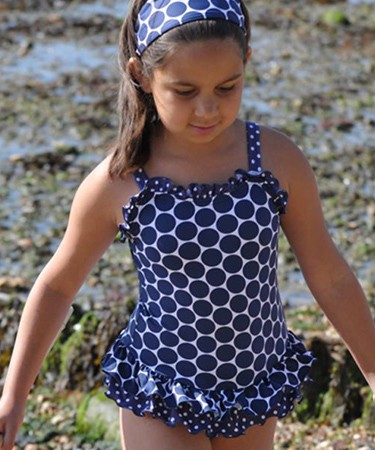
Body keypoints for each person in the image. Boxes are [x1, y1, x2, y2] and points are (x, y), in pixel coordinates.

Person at [1, 0, 375, 449]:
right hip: (160, 388)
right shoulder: (120, 180)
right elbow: (58, 287)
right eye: (184, 91)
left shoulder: (276, 160)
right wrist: (15, 395)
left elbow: (329, 275)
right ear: (141, 75)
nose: (207, 109)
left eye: (227, 87)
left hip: (254, 385)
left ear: (247, 63)